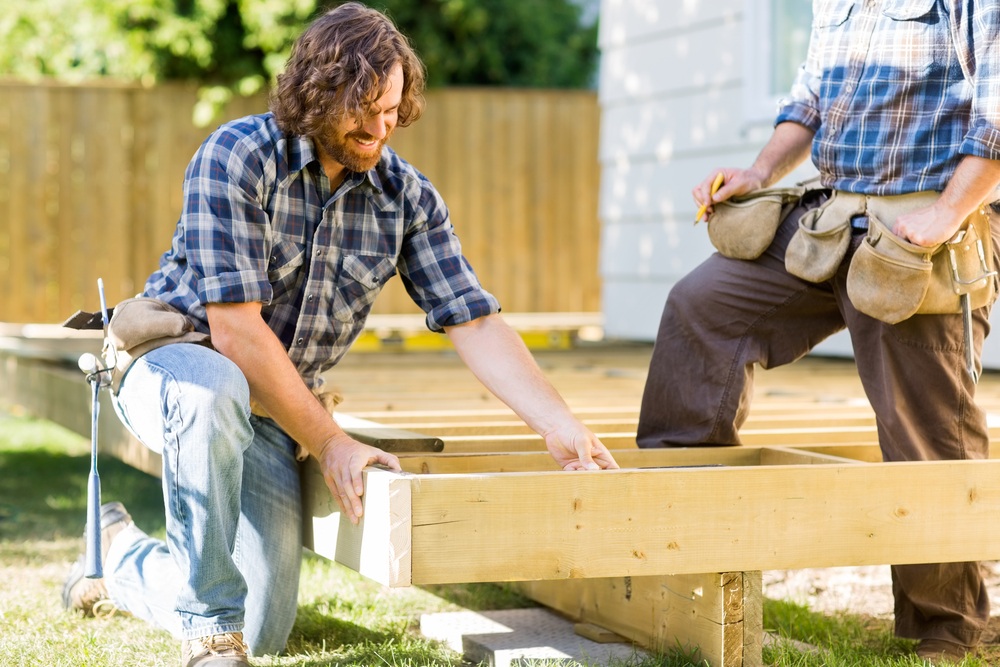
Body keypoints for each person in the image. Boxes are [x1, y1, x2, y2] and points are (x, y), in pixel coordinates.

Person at [60, 4, 619, 665]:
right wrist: (330, 442)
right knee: (213, 399)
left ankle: (117, 554)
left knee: (263, 626)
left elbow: (475, 318)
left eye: (392, 111)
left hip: (275, 400)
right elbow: (235, 332)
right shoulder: (236, 158)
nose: (381, 130)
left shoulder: (405, 196)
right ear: (317, 93)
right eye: (365, 113)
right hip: (177, 362)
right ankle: (208, 632)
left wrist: (557, 421)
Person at [637, 1, 1000, 664]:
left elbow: (998, 111)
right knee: (701, 308)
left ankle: (946, 626)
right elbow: (809, 96)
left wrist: (948, 213)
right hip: (829, 219)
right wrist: (758, 173)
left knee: (925, 431)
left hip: (918, 233)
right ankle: (676, 546)